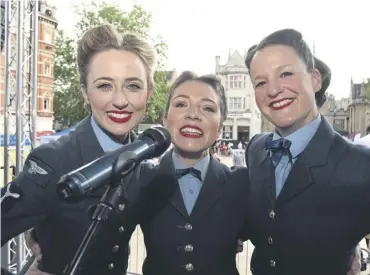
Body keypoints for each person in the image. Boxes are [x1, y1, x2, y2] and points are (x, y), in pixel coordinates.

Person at [1, 24, 156, 275]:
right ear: (85, 92)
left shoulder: (145, 158)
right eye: (104, 85)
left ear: (148, 92)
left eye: (133, 86)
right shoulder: (54, 160)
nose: (119, 100)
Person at [85, 71, 249, 275]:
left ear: (219, 128)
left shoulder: (241, 183)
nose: (193, 114)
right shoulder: (141, 177)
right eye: (181, 104)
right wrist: (38, 236)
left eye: (207, 108)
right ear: (165, 119)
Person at [243, 28, 370, 275]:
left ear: (314, 79)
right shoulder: (256, 149)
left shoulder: (362, 166)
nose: (273, 90)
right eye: (260, 82)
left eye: (286, 74)